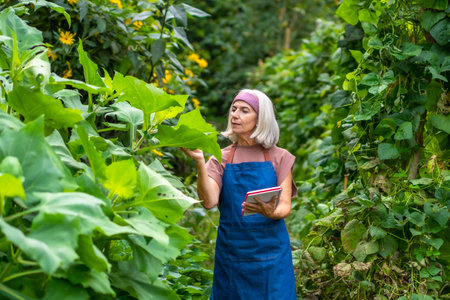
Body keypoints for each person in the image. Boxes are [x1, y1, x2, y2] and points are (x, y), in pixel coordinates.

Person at [184, 89, 297, 299]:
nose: (235, 115)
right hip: (232, 254)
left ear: (260, 119)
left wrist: (269, 212)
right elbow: (209, 201)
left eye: (244, 110)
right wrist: (200, 162)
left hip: (272, 255)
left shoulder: (280, 158)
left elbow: (284, 207)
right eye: (234, 109)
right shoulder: (221, 158)